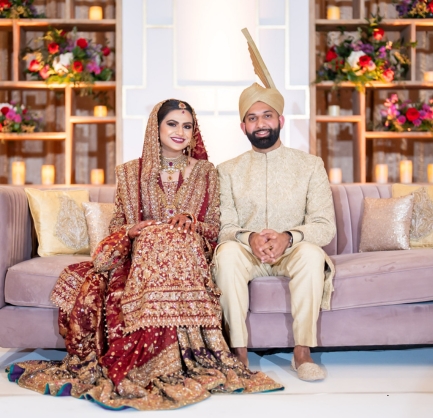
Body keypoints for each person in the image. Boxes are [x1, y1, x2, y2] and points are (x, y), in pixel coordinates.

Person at [7, 99, 283, 410]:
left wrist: (192, 222)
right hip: (142, 253)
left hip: (189, 251)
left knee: (170, 239)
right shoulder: (129, 173)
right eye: (172, 124)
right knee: (153, 237)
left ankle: (171, 357)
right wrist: (132, 229)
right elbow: (117, 225)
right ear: (156, 127)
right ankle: (146, 358)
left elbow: (214, 227)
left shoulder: (206, 172)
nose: (180, 132)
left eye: (187, 126)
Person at [212, 33, 336, 382]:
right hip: (246, 253)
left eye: (267, 115)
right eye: (252, 118)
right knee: (226, 254)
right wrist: (250, 238)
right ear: (243, 126)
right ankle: (238, 353)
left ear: (280, 120)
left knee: (311, 254)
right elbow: (225, 226)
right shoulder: (227, 170)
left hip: (292, 251)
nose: (260, 124)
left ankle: (302, 352)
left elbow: (324, 225)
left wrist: (288, 237)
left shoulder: (309, 165)